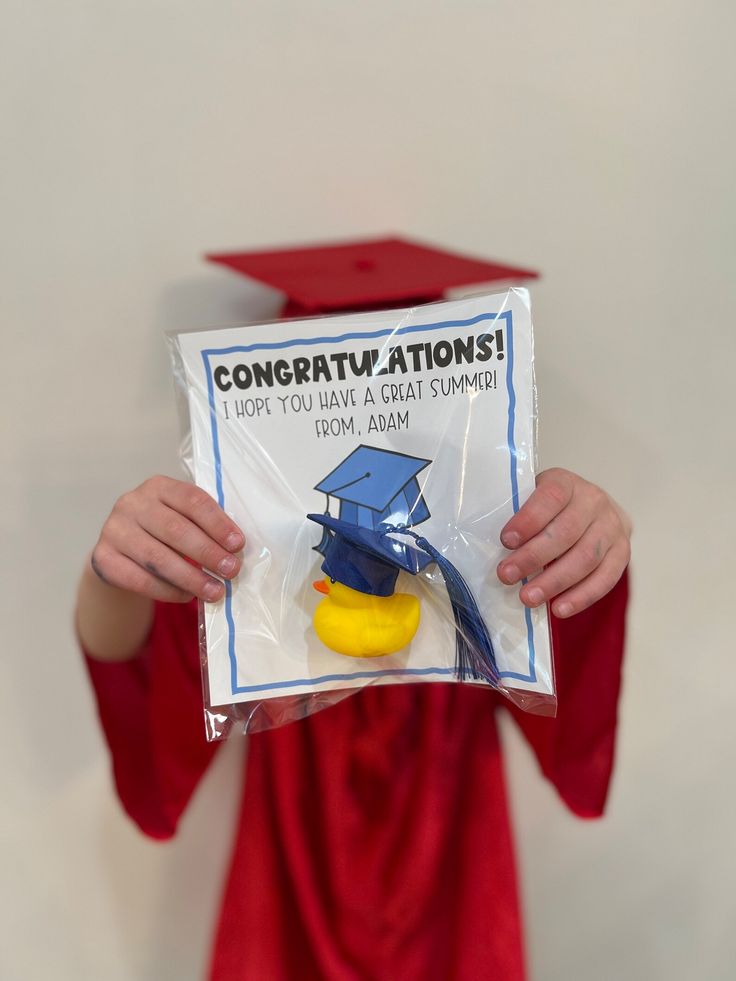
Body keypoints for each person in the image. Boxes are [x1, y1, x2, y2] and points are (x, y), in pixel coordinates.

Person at [76, 466, 631, 980]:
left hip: (454, 872)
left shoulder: (479, 511)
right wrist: (113, 572)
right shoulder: (245, 523)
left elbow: (564, 669)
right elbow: (145, 669)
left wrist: (596, 537)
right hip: (289, 872)